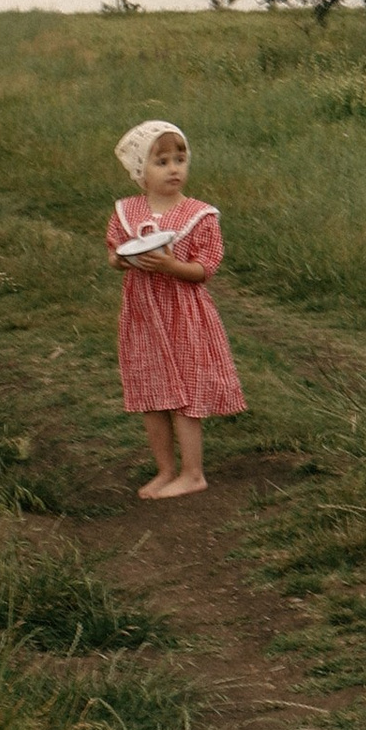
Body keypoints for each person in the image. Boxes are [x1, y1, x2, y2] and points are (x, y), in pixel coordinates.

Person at [107, 118, 245, 500]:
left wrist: (171, 267)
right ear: (140, 171)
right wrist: (120, 260)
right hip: (142, 316)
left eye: (179, 159)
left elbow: (205, 269)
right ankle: (165, 469)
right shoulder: (127, 212)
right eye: (161, 161)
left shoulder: (201, 216)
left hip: (184, 315)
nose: (173, 168)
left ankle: (192, 472)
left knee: (185, 395)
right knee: (152, 393)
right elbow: (114, 250)